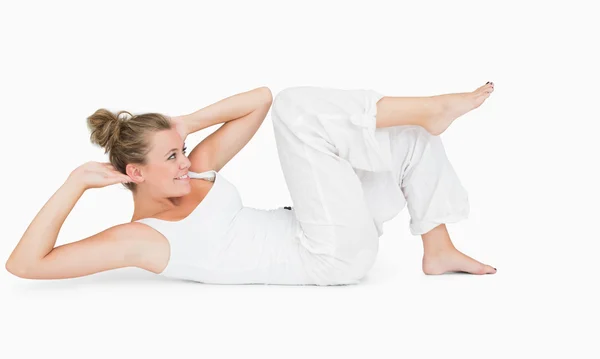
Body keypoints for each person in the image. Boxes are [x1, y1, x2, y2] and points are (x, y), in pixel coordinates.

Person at [5, 83, 496, 285]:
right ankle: (432, 111)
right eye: (170, 157)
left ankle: (439, 246)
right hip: (327, 256)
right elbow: (25, 265)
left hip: (326, 226)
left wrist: (186, 123)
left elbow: (257, 99)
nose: (182, 163)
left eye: (179, 151)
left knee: (406, 140)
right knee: (296, 110)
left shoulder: (194, 170)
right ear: (135, 174)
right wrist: (73, 184)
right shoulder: (140, 239)